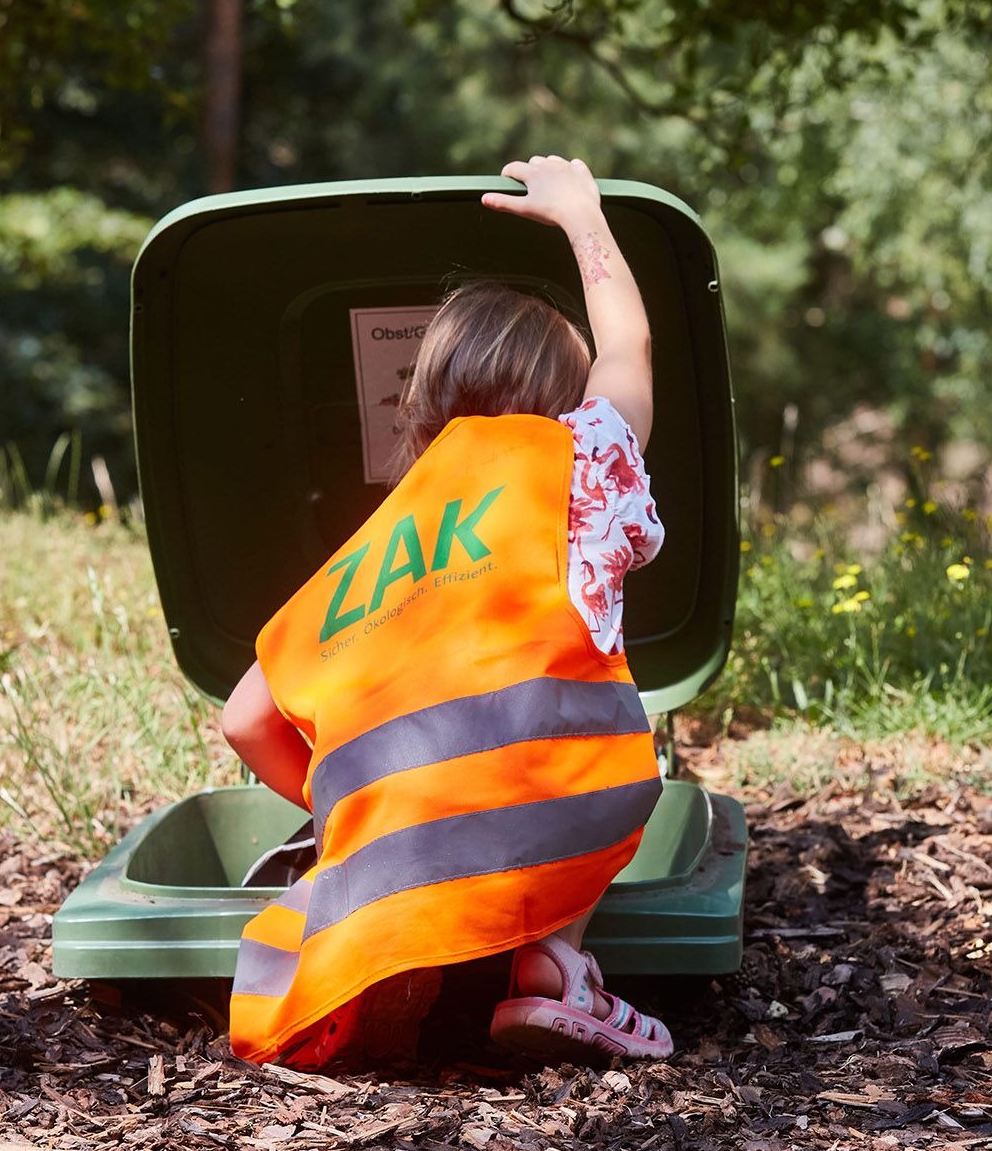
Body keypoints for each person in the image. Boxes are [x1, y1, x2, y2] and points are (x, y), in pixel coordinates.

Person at [218, 154, 674, 1070]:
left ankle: (395, 954)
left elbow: (243, 720)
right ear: (565, 398)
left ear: (418, 412)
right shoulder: (580, 462)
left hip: (388, 852)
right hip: (561, 814)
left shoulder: (368, 549)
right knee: (601, 746)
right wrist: (583, 218)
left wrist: (366, 804)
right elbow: (631, 350)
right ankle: (551, 960)